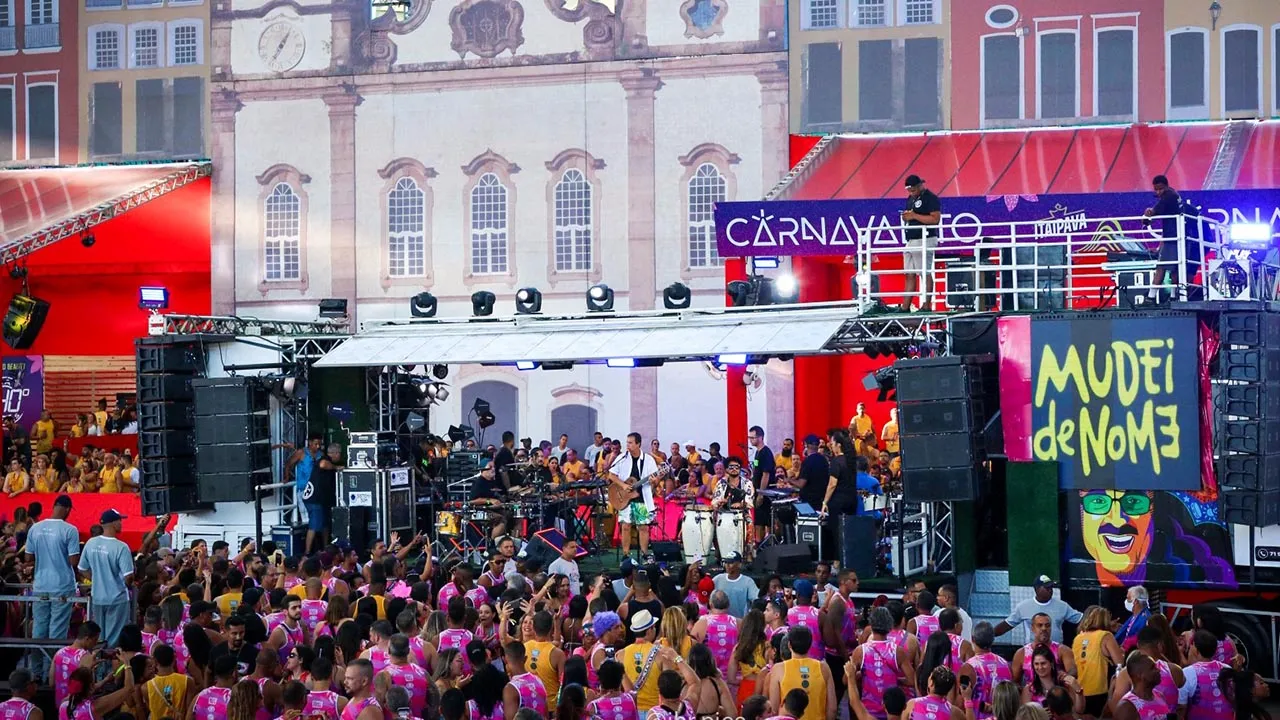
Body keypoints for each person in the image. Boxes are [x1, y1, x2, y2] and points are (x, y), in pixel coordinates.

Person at [26, 494, 80, 661]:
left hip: (41, 585)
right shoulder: (70, 530)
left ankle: (36, 672)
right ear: (67, 509)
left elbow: (28, 558)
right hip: (62, 586)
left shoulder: (35, 528)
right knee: (57, 631)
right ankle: (53, 672)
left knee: (39, 630)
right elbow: (73, 561)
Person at [77, 509, 134, 646]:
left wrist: (96, 579)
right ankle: (109, 666)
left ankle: (99, 665)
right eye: (119, 520)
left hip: (97, 598)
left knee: (97, 637)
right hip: (117, 598)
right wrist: (122, 584)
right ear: (114, 523)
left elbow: (81, 568)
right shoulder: (121, 547)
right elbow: (129, 576)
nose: (121, 523)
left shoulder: (90, 543)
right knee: (114, 639)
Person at [607, 433, 664, 561]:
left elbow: (655, 481)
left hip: (641, 497)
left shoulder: (648, 460)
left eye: (631, 443)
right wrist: (623, 485)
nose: (628, 445)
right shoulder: (622, 458)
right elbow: (611, 475)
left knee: (643, 527)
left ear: (638, 444)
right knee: (626, 526)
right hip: (625, 498)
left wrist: (655, 480)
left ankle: (644, 553)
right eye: (627, 442)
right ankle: (626, 555)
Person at [767, 626, 835, 720]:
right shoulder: (824, 668)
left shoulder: (778, 669)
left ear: (789, 645)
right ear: (810, 644)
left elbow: (774, 708)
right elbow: (832, 709)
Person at [1070, 606, 1124, 718]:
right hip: (1099, 692)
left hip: (1080, 691)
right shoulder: (1106, 636)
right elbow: (1120, 663)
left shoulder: (1078, 638)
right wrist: (1122, 651)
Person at [995, 576, 1082, 644]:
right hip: (1033, 651)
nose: (1050, 590)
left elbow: (1081, 619)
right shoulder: (1023, 607)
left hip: (1056, 651)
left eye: (1051, 587)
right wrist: (988, 635)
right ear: (1037, 589)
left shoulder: (1062, 606)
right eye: (1047, 588)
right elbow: (1007, 625)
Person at [900, 174, 941, 312]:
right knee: (909, 273)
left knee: (925, 272)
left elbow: (935, 219)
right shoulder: (911, 199)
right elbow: (912, 216)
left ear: (920, 185)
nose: (911, 193)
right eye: (909, 191)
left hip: (925, 239)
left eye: (913, 190)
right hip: (911, 239)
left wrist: (914, 216)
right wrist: (907, 217)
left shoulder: (931, 198)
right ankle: (905, 306)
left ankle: (926, 305)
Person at [1010, 613, 1077, 686]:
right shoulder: (1022, 653)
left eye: (1047, 625)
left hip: (1056, 694)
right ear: (1032, 628)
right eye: (1039, 625)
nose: (1044, 628)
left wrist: (1066, 676)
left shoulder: (1063, 650)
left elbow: (1073, 671)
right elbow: (1014, 681)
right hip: (1030, 695)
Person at [303, 443, 343, 555]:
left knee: (325, 524)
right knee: (314, 525)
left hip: (323, 500)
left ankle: (326, 548)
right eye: (339, 453)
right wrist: (336, 468)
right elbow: (322, 464)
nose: (340, 456)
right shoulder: (324, 459)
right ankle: (307, 552)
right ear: (334, 453)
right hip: (314, 499)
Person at [1112, 655, 1169, 720]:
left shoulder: (1160, 696)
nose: (1158, 670)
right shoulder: (1126, 707)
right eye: (1153, 668)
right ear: (1139, 675)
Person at [146, 644, 193, 720]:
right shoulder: (188, 681)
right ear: (174, 658)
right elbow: (189, 710)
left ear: (154, 660)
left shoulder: (146, 686)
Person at [503, 641, 548, 720]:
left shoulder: (510, 689)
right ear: (525, 659)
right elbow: (546, 714)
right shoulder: (538, 680)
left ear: (505, 660)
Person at [749, 426, 775, 544]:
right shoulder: (757, 453)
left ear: (760, 437)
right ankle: (758, 543)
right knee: (758, 521)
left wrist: (761, 494)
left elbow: (766, 474)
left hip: (764, 492)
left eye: (753, 437)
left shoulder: (766, 452)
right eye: (749, 437)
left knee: (766, 520)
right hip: (757, 490)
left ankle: (767, 543)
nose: (750, 440)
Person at [712, 552, 758, 617]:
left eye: (731, 563)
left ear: (739, 564)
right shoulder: (718, 578)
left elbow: (755, 599)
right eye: (726, 562)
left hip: (739, 622)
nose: (727, 565)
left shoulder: (748, 581)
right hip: (720, 620)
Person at [1114, 586, 1150, 651]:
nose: (1126, 601)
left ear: (1135, 601)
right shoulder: (1135, 616)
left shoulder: (1145, 619)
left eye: (1128, 598)